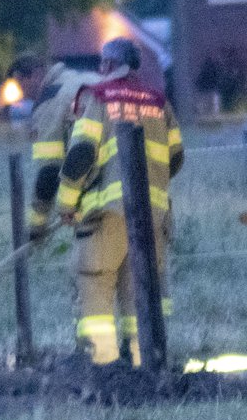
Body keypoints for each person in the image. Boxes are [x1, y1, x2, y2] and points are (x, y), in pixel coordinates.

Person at [54, 38, 184, 365]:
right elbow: (176, 157)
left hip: (107, 217)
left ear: (109, 66)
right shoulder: (159, 102)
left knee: (95, 288)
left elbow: (81, 154)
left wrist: (66, 204)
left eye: (102, 65)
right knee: (140, 295)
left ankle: (103, 365)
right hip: (153, 218)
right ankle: (147, 364)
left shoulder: (99, 98)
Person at [9, 54, 102, 242]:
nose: (21, 94)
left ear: (36, 74)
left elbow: (49, 171)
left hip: (98, 201)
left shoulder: (50, 101)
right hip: (130, 185)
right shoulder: (82, 80)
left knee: (89, 268)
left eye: (20, 84)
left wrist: (36, 226)